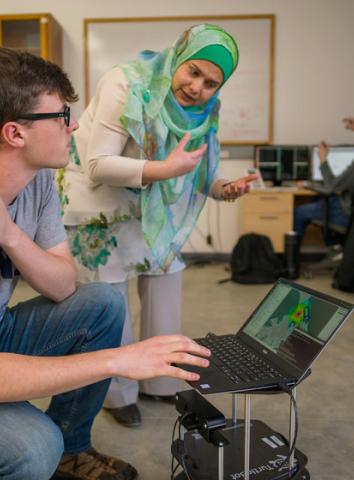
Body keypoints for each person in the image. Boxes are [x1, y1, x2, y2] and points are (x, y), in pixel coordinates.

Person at [0, 46, 212, 480]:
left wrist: (10, 234)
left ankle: (71, 452)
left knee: (101, 302)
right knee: (31, 447)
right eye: (61, 115)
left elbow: (62, 285)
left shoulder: (37, 178)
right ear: (15, 134)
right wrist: (118, 360)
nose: (74, 125)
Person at [55, 24, 258, 428]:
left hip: (153, 209)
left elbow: (199, 173)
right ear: (179, 58)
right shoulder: (125, 82)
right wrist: (165, 169)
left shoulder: (204, 110)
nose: (198, 87)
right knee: (110, 309)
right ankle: (117, 395)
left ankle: (162, 383)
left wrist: (223, 188)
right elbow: (98, 163)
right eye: (193, 72)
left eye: (211, 83)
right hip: (97, 205)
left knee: (166, 290)